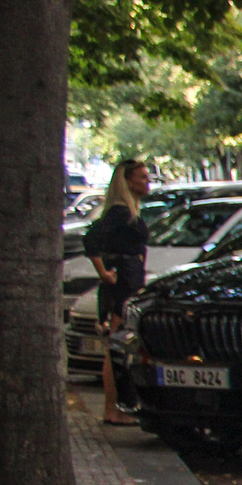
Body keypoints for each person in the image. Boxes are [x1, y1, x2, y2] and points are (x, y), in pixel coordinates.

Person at [83, 160, 152, 425]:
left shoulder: (129, 211)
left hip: (129, 278)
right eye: (142, 177)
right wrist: (104, 272)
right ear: (128, 182)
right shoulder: (121, 212)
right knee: (117, 347)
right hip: (122, 281)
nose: (147, 182)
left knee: (119, 346)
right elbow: (91, 239)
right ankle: (113, 408)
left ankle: (117, 407)